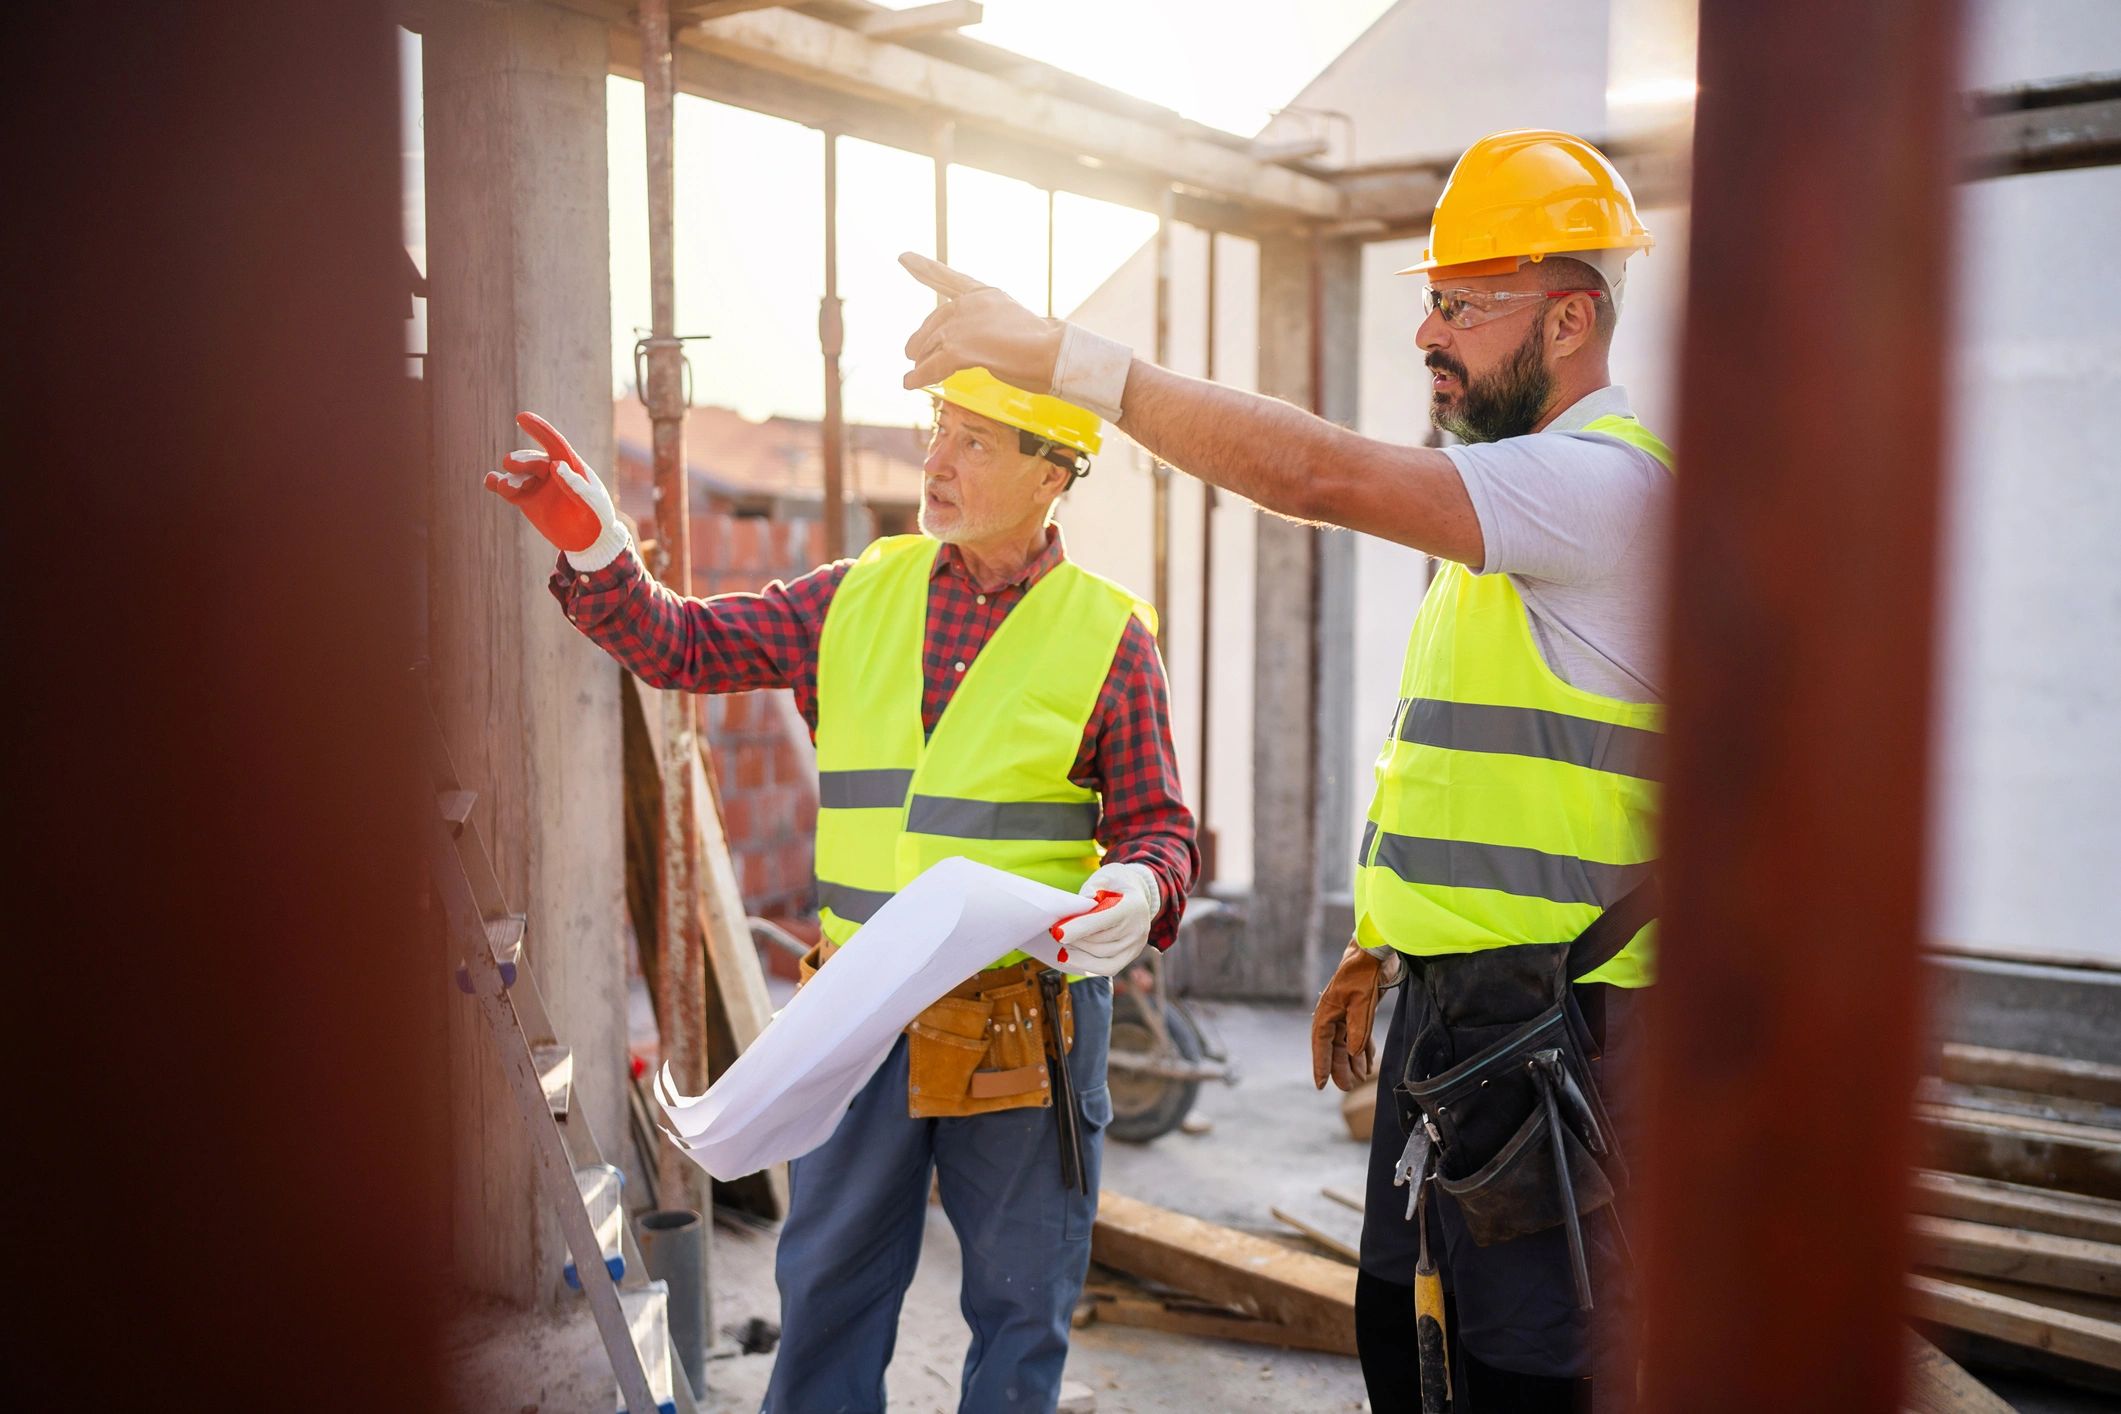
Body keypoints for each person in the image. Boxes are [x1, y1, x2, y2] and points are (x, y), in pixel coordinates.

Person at [896, 129, 1670, 1412]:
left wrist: (1074, 365)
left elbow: (1317, 473)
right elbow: (1473, 777)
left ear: (1573, 315)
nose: (1430, 333)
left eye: (1465, 305)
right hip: (1467, 1019)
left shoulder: (1598, 491)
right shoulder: (1516, 516)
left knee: (1533, 1376)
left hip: (1565, 1038)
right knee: (1408, 1349)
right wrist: (1389, 943)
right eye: (1430, 298)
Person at [484, 368, 1196, 1414]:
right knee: (825, 1300)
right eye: (938, 430)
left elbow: (1159, 830)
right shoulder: (859, 593)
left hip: (1023, 1029)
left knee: (1021, 1312)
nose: (936, 461)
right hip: (859, 1017)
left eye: (976, 443)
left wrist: (1140, 886)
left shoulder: (1110, 637)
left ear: (1054, 473)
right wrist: (602, 553)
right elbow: (683, 644)